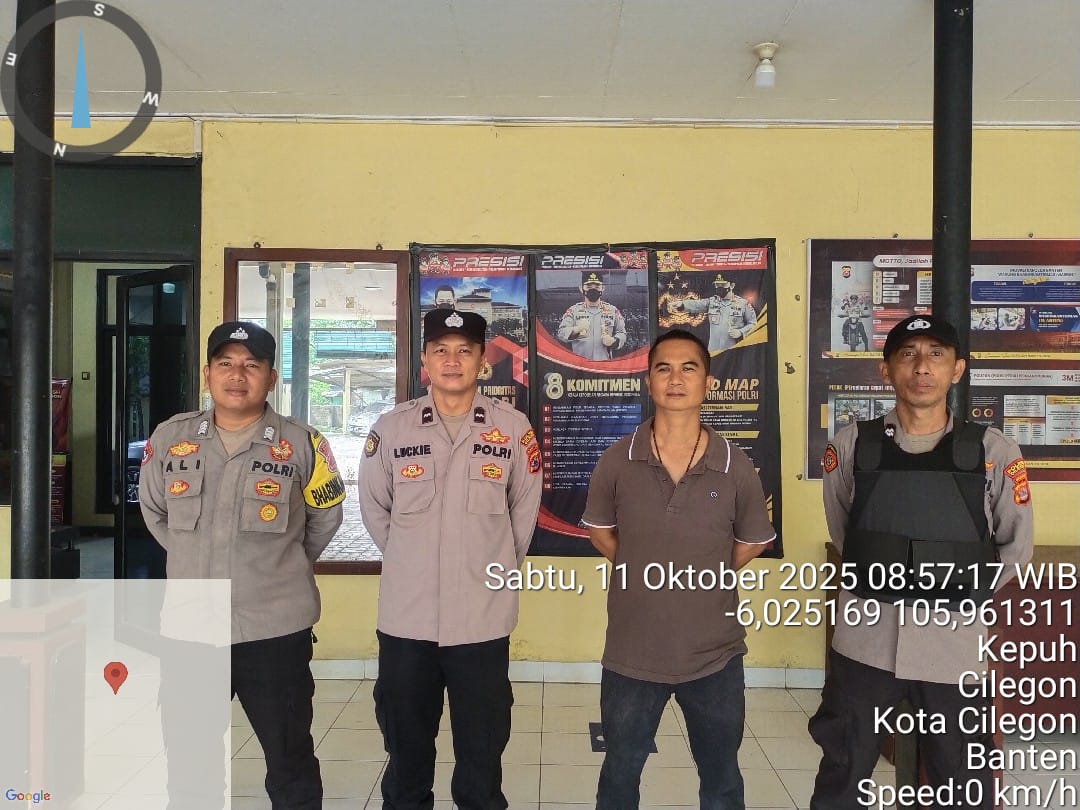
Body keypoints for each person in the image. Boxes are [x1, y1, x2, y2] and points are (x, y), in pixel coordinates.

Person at [810, 314, 1034, 809]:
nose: (922, 367)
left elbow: (1015, 548)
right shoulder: (852, 445)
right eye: (908, 355)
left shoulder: (994, 451)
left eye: (936, 354)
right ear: (886, 370)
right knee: (843, 774)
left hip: (953, 650)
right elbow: (846, 532)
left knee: (963, 782)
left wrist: (957, 593)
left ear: (957, 369)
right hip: (866, 644)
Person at [140, 321, 346, 810]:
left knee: (290, 761)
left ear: (271, 378)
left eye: (252, 365)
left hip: (274, 630)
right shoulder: (170, 439)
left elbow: (325, 517)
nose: (238, 375)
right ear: (207, 373)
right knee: (189, 762)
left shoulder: (303, 443)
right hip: (190, 630)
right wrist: (193, 560)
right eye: (226, 363)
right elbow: (155, 512)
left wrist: (280, 566)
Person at [358, 308, 543, 809]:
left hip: (481, 623)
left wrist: (484, 567)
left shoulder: (513, 429)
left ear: (483, 361)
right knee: (405, 760)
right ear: (424, 360)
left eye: (465, 351)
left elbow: (521, 519)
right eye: (440, 350)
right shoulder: (392, 429)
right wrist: (412, 561)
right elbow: (375, 511)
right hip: (407, 622)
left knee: (481, 762)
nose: (452, 361)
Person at [582, 329, 776, 809]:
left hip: (715, 657)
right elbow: (601, 533)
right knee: (619, 775)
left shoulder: (735, 464)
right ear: (648, 381)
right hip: (631, 654)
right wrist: (644, 565)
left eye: (689, 368)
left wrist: (702, 571)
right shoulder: (617, 460)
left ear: (707, 382)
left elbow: (753, 540)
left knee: (721, 780)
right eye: (663, 369)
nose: (675, 379)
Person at [671, 273, 757, 352]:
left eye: (723, 284)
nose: (719, 287)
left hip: (733, 351)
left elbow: (753, 324)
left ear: (732, 285)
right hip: (713, 351)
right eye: (717, 284)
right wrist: (681, 304)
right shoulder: (712, 302)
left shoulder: (743, 304)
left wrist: (741, 332)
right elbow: (697, 304)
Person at [557, 271, 627, 360]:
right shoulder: (573, 311)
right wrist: (576, 329)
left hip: (604, 363)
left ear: (603, 288)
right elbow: (561, 333)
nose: (593, 290)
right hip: (580, 363)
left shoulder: (612, 310)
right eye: (588, 287)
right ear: (581, 288)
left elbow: (622, 332)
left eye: (597, 287)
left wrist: (614, 341)